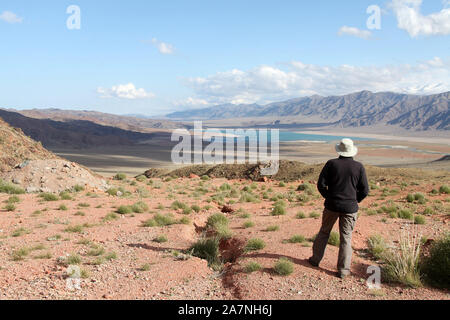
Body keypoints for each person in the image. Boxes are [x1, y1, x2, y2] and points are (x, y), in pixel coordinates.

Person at [308, 138, 369, 279]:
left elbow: (321, 185)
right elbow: (365, 190)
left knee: (324, 232)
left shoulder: (331, 164)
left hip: (331, 205)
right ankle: (343, 270)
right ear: (352, 151)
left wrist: (329, 197)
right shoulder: (358, 167)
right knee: (346, 238)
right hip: (350, 208)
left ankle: (315, 260)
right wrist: (354, 200)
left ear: (339, 151)